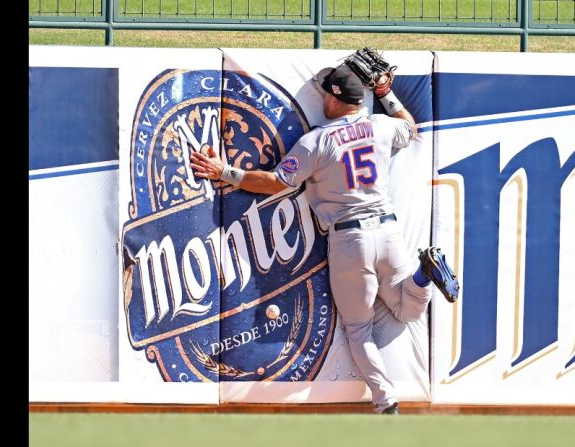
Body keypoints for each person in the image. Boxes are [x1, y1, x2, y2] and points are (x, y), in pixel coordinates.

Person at [190, 63, 459, 415]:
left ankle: (386, 402)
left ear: (334, 98)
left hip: (350, 240)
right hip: (388, 232)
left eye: (324, 92)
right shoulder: (380, 125)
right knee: (408, 310)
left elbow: (274, 183)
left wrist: (224, 171)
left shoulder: (317, 141)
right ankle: (425, 273)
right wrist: (385, 94)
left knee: (359, 329)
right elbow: (410, 126)